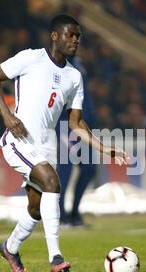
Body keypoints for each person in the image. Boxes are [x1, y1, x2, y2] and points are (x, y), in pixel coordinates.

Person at [0, 14, 128, 272]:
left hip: (47, 145)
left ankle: (10, 246)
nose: (75, 40)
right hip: (19, 139)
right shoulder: (31, 58)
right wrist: (7, 116)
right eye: (70, 35)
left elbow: (76, 122)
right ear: (55, 36)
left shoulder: (74, 77)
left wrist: (104, 147)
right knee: (52, 182)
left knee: (36, 207)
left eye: (78, 37)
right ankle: (56, 257)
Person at [57, 55, 97, 227]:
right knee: (64, 172)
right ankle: (59, 216)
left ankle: (74, 213)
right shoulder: (55, 63)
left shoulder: (78, 63)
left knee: (89, 169)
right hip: (65, 124)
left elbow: (84, 96)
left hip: (83, 125)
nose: (74, 40)